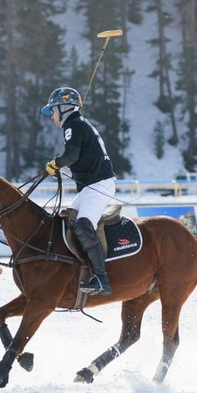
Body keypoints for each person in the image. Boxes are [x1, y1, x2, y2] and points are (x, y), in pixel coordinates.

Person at [42, 86, 116, 295]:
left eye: (53, 111)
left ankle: (102, 280)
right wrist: (60, 165)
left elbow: (72, 155)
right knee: (67, 222)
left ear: (64, 108)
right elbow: (79, 157)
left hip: (99, 185)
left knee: (83, 226)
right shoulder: (77, 125)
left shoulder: (72, 125)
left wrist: (56, 163)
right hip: (89, 187)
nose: (52, 117)